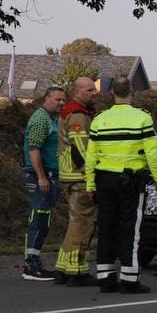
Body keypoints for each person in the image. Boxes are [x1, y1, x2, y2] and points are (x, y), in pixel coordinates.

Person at [84, 76, 157, 293]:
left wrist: (90, 183)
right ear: (132, 92)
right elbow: (152, 152)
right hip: (131, 181)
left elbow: (91, 155)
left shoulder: (99, 120)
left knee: (106, 227)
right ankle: (130, 280)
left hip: (104, 180)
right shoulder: (142, 118)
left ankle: (105, 278)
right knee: (130, 229)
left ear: (112, 92)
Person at [54, 77, 98, 285]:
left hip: (70, 174)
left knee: (75, 222)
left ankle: (63, 267)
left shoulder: (72, 112)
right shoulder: (78, 115)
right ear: (78, 92)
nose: (94, 93)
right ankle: (76, 271)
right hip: (80, 176)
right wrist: (93, 177)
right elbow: (83, 151)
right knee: (82, 223)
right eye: (90, 90)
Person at [21, 85, 67, 280]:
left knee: (43, 218)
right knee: (38, 218)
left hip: (49, 175)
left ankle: (33, 261)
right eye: (58, 100)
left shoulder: (52, 119)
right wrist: (41, 177)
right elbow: (33, 150)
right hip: (40, 176)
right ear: (46, 99)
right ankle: (31, 264)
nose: (61, 103)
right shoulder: (41, 119)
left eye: (63, 100)